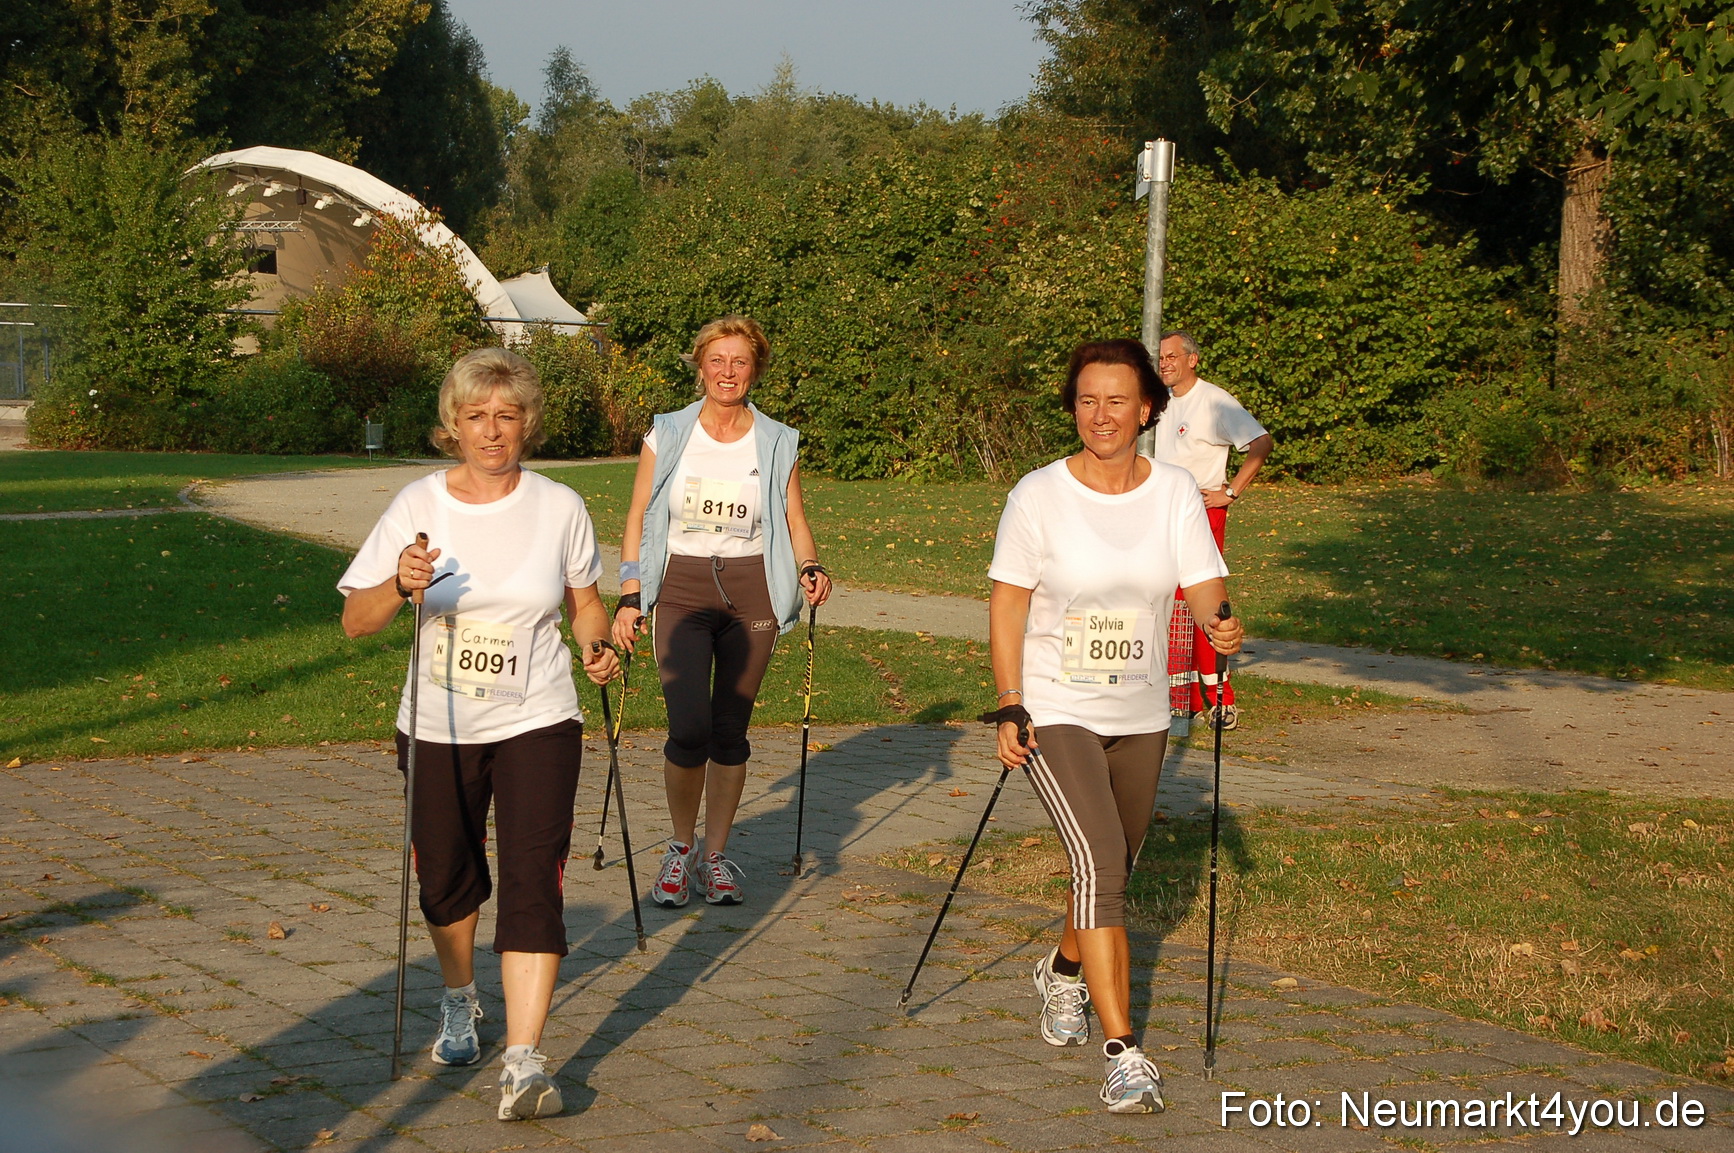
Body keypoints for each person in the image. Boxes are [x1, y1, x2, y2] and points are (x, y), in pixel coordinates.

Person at [339, 348, 619, 1123]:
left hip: (539, 716)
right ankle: (460, 999)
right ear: (451, 426)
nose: (492, 431)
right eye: (475, 417)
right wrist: (400, 583)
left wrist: (597, 641)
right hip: (439, 722)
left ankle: (526, 1059)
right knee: (446, 878)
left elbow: (584, 602)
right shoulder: (417, 504)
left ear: (527, 421)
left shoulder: (559, 505)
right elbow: (355, 620)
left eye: (506, 415)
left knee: (535, 876)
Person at [987, 338, 1243, 1114]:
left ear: (1147, 409)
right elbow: (1007, 602)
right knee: (1100, 858)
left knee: (1111, 868)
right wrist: (1008, 699)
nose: (1101, 415)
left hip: (1140, 711)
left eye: (1118, 401)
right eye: (1087, 400)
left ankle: (1061, 972)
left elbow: (1204, 586)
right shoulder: (1038, 494)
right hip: (1054, 706)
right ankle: (1124, 1051)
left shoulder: (1171, 492)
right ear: (1074, 407)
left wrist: (1221, 626)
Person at [611, 315, 831, 909]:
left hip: (750, 590)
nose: (728, 372)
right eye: (717, 360)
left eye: (740, 362)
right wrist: (631, 594)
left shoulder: (778, 440)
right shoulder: (668, 433)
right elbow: (636, 519)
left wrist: (810, 566)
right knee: (689, 727)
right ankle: (679, 850)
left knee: (730, 730)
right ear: (700, 365)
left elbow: (793, 518)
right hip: (681, 586)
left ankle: (715, 854)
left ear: (754, 369)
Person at [1150, 330, 1271, 729]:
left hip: (1202, 513)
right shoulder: (1161, 403)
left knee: (1201, 600)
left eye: (1172, 356)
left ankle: (1222, 699)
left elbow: (1261, 442)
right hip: (1161, 512)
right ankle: (1176, 696)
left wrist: (1231, 492)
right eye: (1161, 357)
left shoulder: (1214, 400)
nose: (1164, 362)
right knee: (1165, 601)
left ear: (1192, 360)